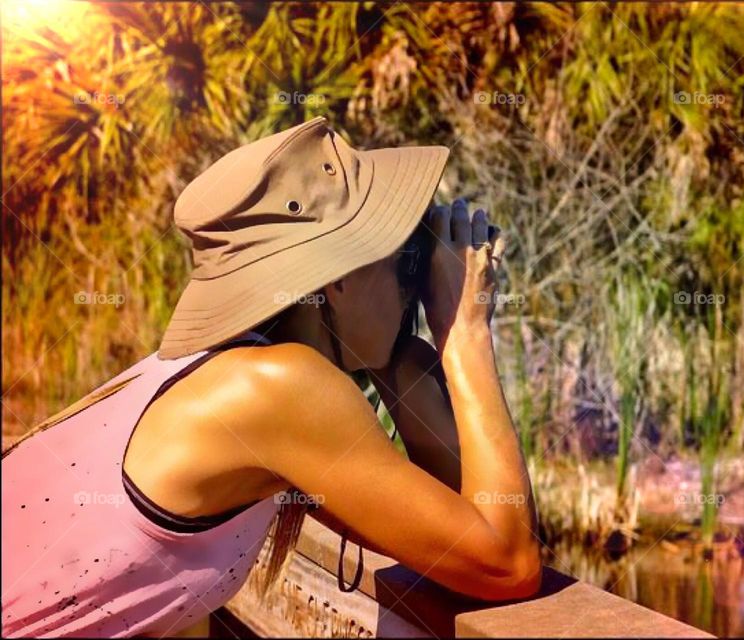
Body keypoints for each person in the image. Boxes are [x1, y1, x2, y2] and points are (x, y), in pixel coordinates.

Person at [1, 116, 542, 637]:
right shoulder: (278, 388)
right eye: (405, 261)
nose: (417, 285)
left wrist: (399, 350)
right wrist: (464, 331)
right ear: (338, 280)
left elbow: (451, 529)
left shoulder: (220, 372)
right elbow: (505, 562)